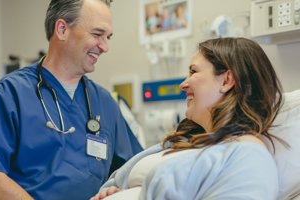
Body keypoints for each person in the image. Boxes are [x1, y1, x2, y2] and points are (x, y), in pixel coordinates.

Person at [0, 0, 143, 199]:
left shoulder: (104, 103)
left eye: (108, 37)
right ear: (62, 29)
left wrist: (116, 189)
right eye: (97, 35)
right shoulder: (11, 94)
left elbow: (132, 170)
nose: (105, 47)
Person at [91, 37, 284, 200]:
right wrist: (113, 192)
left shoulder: (248, 156)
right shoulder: (188, 141)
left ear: (226, 81)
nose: (183, 84)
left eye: (193, 71)